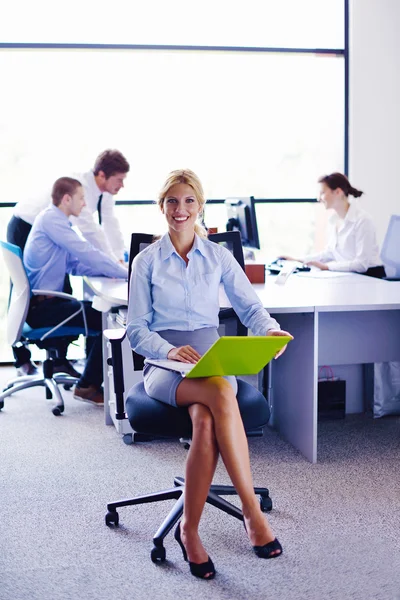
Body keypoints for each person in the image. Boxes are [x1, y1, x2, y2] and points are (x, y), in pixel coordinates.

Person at [126, 169, 293, 580]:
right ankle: (252, 515)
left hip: (210, 358)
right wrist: (168, 350)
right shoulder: (146, 261)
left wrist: (268, 330)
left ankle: (190, 530)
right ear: (161, 206)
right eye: (171, 202)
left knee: (205, 421)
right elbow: (135, 330)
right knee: (220, 393)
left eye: (188, 202)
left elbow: (249, 307)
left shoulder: (217, 255)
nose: (179, 210)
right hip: (166, 364)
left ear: (200, 206)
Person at [7, 149, 130, 375]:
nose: (122, 185)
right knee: (102, 316)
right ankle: (27, 358)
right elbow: (88, 241)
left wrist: (117, 262)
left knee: (65, 289)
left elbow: (106, 229)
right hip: (24, 223)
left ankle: (59, 360)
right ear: (102, 175)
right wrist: (122, 270)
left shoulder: (69, 212)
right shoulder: (71, 196)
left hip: (49, 242)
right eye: (120, 179)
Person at [24, 176, 128, 406]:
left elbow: (75, 263)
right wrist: (127, 273)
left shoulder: (53, 220)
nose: (84, 204)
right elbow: (86, 252)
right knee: (107, 321)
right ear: (67, 198)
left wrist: (108, 271)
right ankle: (87, 386)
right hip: (43, 308)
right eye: (81, 198)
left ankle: (91, 381)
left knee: (99, 313)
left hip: (43, 304)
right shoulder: (53, 220)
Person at [282, 172, 386, 278]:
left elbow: (361, 265)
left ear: (338, 192)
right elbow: (330, 253)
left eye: (322, 193)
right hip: (350, 275)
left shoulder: (363, 220)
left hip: (369, 277)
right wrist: (299, 260)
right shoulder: (333, 220)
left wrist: (327, 267)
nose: (319, 198)